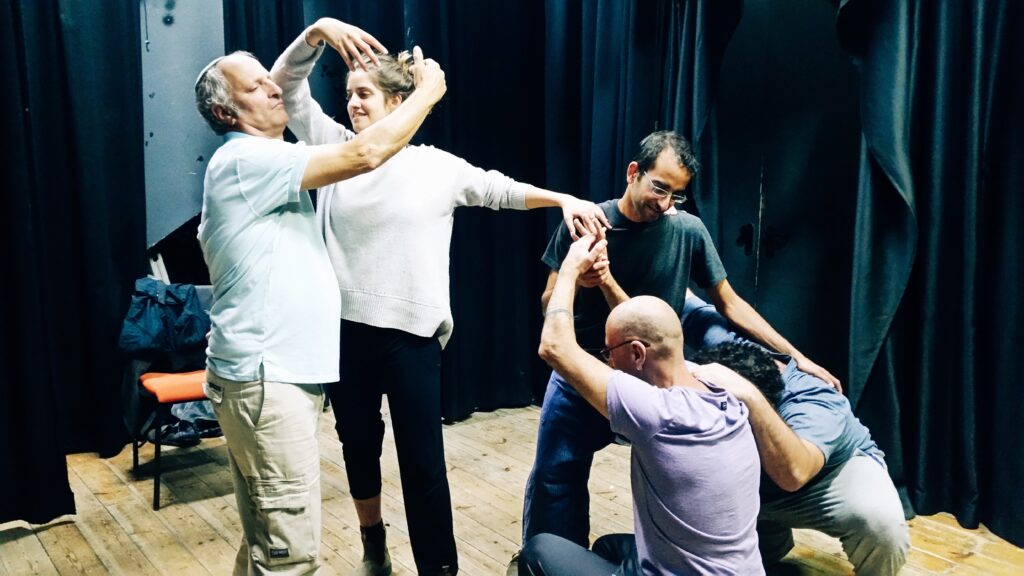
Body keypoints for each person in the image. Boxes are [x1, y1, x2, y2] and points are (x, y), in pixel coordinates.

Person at [270, 18, 609, 576]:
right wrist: (316, 34)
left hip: (412, 336)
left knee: (423, 463)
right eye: (349, 94)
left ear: (398, 101)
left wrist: (562, 198)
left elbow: (500, 189)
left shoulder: (434, 166)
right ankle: (373, 542)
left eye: (364, 94)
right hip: (345, 331)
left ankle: (440, 569)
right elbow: (284, 88)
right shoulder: (335, 149)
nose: (352, 104)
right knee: (358, 445)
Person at [194, 36, 446, 575]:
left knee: (265, 540)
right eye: (255, 86)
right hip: (268, 381)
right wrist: (427, 94)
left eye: (268, 78)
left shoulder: (260, 159)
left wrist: (316, 32)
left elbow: (289, 88)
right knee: (290, 554)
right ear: (226, 112)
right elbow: (366, 153)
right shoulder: (248, 159)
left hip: (267, 378)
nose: (271, 87)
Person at [521, 130, 840, 549]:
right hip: (584, 370)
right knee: (555, 474)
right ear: (633, 173)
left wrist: (798, 358)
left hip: (651, 380)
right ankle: (553, 560)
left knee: (685, 475)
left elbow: (731, 304)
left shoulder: (688, 230)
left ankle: (739, 546)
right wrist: (578, 280)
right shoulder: (586, 221)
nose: (665, 202)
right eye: (659, 188)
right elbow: (549, 302)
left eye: (676, 193)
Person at [520, 231, 764, 575]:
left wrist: (571, 268)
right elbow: (642, 327)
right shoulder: (715, 388)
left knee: (539, 550)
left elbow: (554, 347)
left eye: (609, 352)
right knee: (608, 547)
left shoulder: (657, 413)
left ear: (636, 354)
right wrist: (606, 281)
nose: (608, 361)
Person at [684, 297, 909, 575]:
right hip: (751, 485)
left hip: (823, 482)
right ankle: (766, 544)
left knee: (881, 525)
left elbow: (794, 475)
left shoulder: (814, 402)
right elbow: (683, 301)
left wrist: (752, 399)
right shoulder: (721, 355)